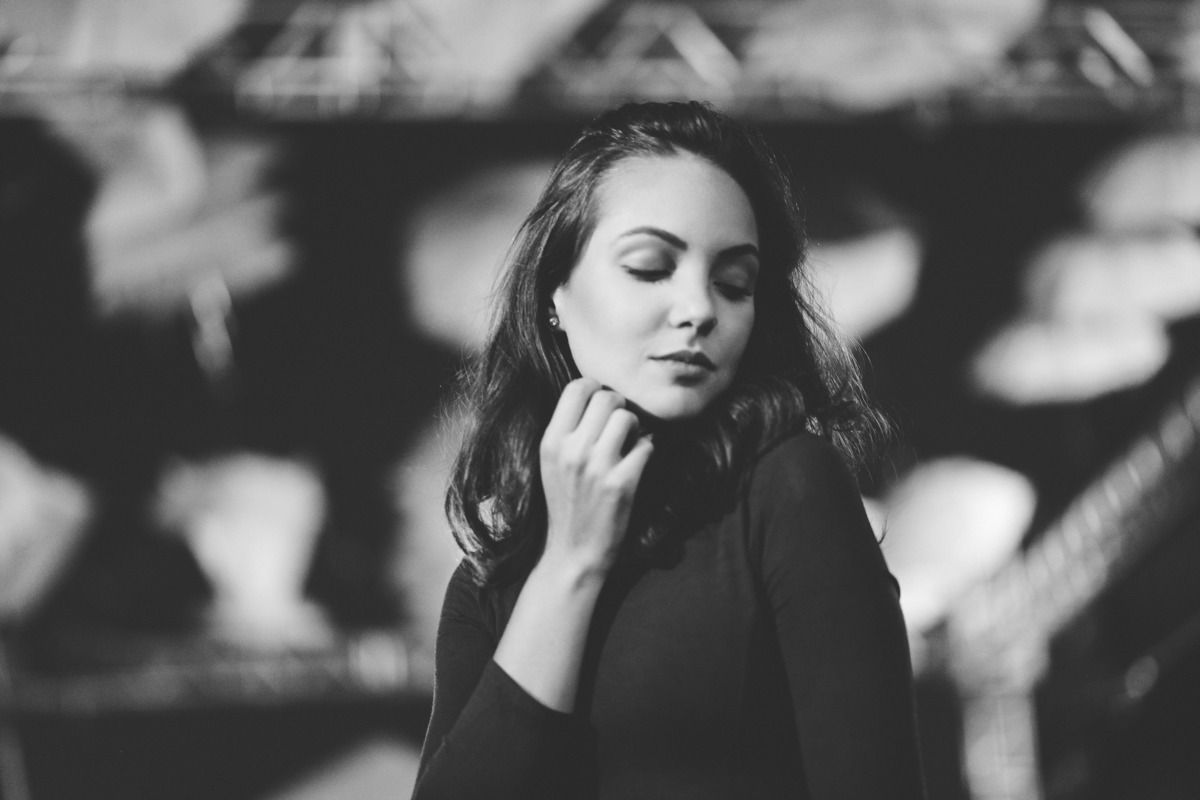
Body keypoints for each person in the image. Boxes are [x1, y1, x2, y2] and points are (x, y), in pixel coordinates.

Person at [413, 101, 927, 799]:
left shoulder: (788, 487)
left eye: (734, 283)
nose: (700, 309)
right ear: (555, 294)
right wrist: (572, 562)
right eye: (650, 268)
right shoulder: (494, 571)